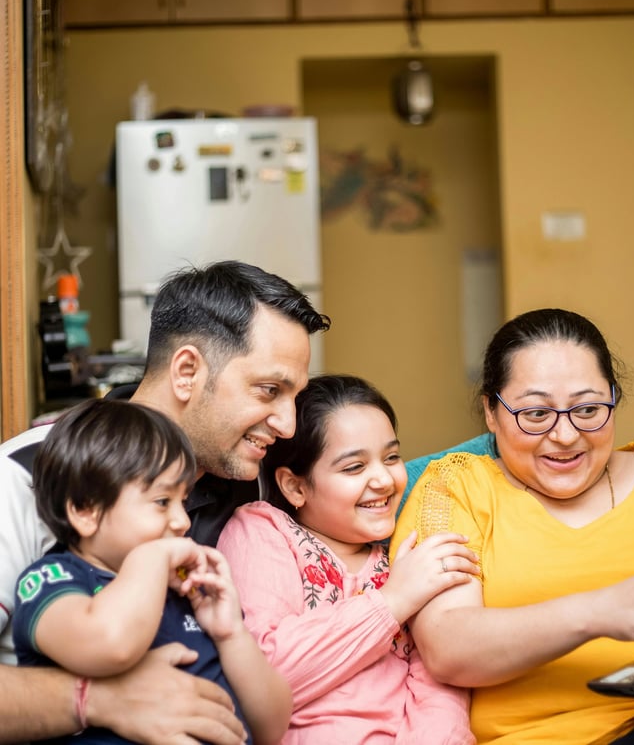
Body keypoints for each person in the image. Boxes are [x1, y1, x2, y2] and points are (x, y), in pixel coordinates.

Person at [390, 307, 634, 745]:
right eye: (536, 414)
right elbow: (448, 649)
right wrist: (597, 611)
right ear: (491, 412)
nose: (566, 436)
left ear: (613, 398)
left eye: (588, 409)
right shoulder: (455, 488)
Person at [0, 260, 330, 744]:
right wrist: (98, 700)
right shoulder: (24, 476)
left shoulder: (253, 488)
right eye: (269, 390)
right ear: (187, 371)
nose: (288, 425)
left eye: (294, 398)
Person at [217, 374, 480, 744]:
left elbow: (440, 690)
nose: (384, 480)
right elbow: (266, 677)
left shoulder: (407, 556)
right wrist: (393, 601)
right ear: (295, 486)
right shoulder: (264, 532)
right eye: (354, 467)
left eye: (391, 457)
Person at [13, 398, 292, 745]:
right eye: (162, 502)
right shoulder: (53, 580)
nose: (183, 520)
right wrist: (151, 561)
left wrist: (231, 633)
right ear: (85, 511)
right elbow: (111, 645)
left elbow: (272, 727)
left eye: (183, 501)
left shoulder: (188, 591)